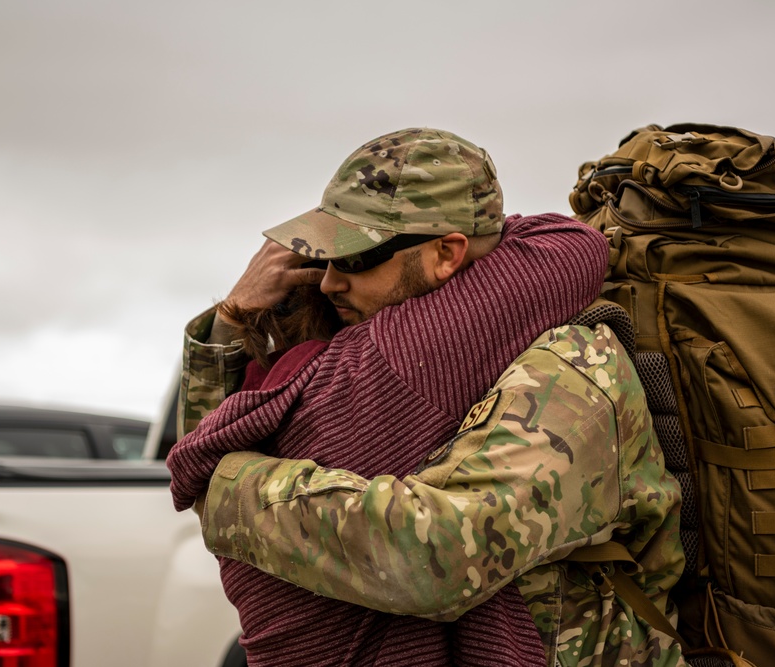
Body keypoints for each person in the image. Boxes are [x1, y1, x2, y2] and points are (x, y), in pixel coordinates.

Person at [167, 127, 620, 666]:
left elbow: (435, 560)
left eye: (354, 258)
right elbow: (221, 434)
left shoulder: (566, 369)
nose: (329, 282)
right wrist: (229, 321)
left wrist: (223, 486)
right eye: (326, 258)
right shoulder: (360, 345)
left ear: (447, 253)